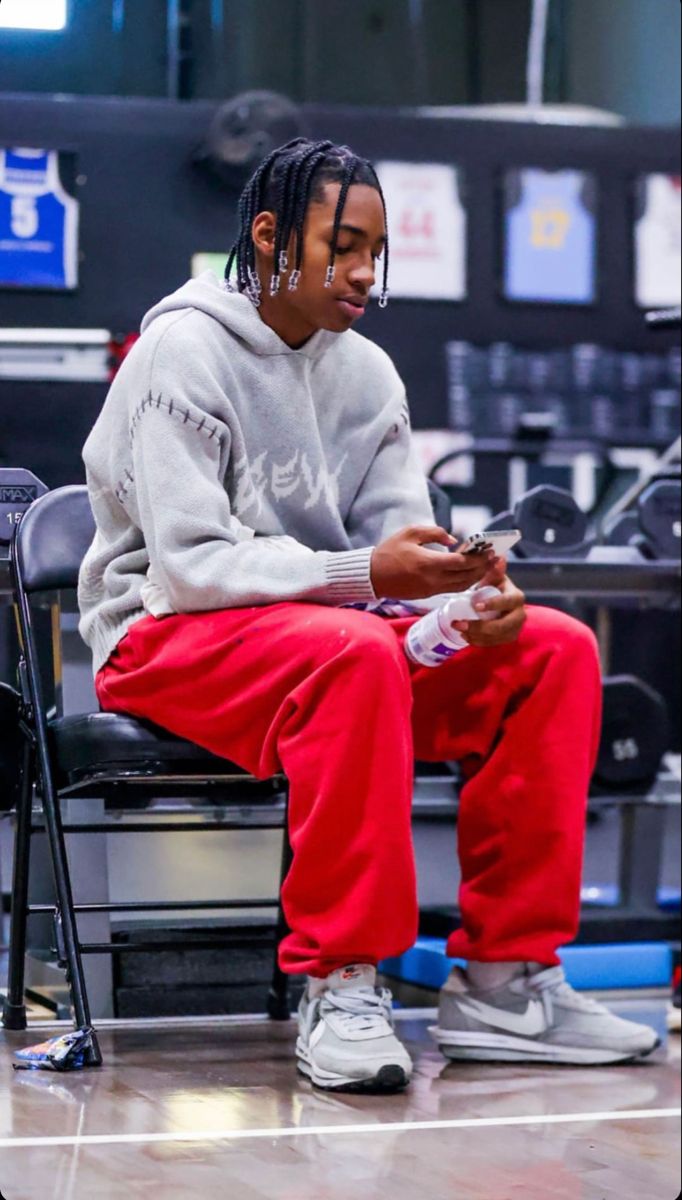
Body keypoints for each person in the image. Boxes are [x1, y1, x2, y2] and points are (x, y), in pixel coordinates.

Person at [78, 138, 659, 1094]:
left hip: (324, 640)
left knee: (552, 648)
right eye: (340, 245)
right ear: (269, 236)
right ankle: (341, 982)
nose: (363, 272)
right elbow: (187, 568)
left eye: (374, 253)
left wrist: (467, 595)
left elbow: (399, 551)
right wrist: (364, 575)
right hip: (159, 634)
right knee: (347, 652)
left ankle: (507, 983)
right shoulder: (179, 351)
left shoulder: (369, 375)